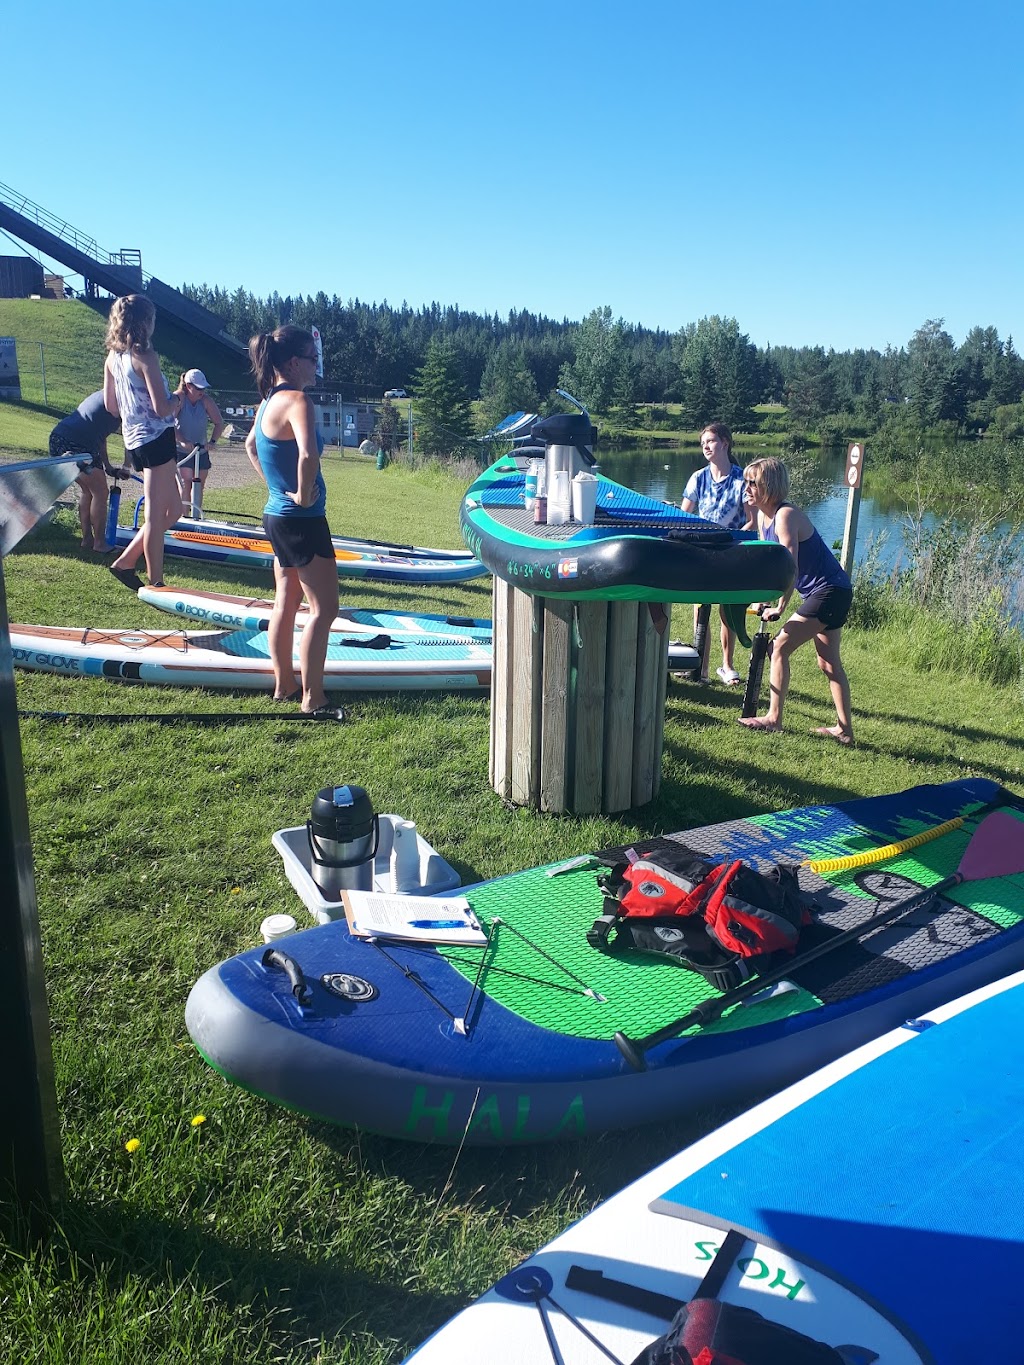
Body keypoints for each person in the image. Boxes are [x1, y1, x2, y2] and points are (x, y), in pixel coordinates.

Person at [244, 325, 341, 719]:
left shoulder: (268, 401)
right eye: (313, 359)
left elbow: (251, 445)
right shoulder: (298, 400)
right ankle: (312, 697)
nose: (317, 366)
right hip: (302, 520)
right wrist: (300, 494)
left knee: (286, 602)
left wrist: (275, 487)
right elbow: (307, 455)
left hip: (277, 517)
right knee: (325, 609)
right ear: (294, 362)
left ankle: (284, 684)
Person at [738, 456, 854, 744]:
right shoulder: (763, 517)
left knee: (778, 647)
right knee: (828, 664)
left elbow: (790, 565)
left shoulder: (786, 515)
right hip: (829, 591)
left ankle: (773, 719)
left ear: (769, 486)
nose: (747, 488)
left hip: (829, 591)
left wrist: (779, 606)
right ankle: (844, 731)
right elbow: (770, 564)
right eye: (746, 482)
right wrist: (762, 598)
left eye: (753, 483)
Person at [103, 295, 184, 589]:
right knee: (156, 514)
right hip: (157, 437)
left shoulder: (113, 358)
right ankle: (156, 582)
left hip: (134, 439)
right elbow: (162, 408)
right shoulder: (146, 356)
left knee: (174, 510)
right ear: (146, 322)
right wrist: (178, 398)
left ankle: (126, 560)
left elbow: (111, 406)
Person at [680, 422, 751, 684]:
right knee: (700, 610)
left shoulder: (743, 479)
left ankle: (727, 665)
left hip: (731, 551)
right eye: (703, 444)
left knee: (727, 611)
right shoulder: (698, 478)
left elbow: (752, 521)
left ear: (725, 443)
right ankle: (701, 668)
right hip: (702, 551)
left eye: (710, 441)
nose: (706, 447)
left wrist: (731, 539)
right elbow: (684, 517)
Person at [48, 390, 122, 551]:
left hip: (59, 438)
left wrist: (108, 466)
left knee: (88, 491)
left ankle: (88, 539)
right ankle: (100, 543)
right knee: (101, 492)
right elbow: (131, 440)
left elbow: (101, 437)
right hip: (76, 443)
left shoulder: (104, 395)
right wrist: (128, 467)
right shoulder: (123, 400)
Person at [175, 368, 225, 515]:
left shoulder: (206, 401)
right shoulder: (179, 398)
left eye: (203, 388)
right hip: (182, 452)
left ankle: (196, 516)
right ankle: (183, 517)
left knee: (199, 484)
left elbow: (219, 423)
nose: (201, 391)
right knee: (186, 483)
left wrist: (212, 441)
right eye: (198, 388)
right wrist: (182, 441)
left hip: (200, 451)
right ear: (188, 386)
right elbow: (168, 423)